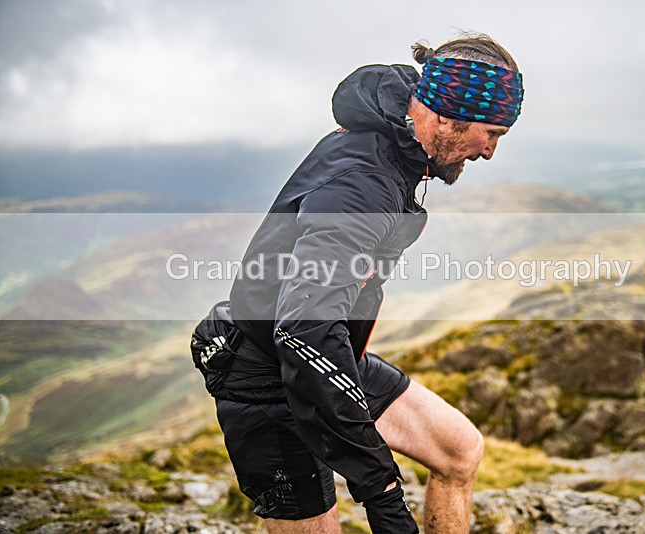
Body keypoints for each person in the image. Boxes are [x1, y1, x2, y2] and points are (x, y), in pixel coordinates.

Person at [192, 32, 523, 533]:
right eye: (490, 133)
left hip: (327, 355)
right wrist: (382, 490)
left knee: (459, 450)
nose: (490, 151)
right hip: (268, 375)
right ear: (445, 114)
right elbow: (304, 330)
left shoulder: (401, 139)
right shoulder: (360, 183)